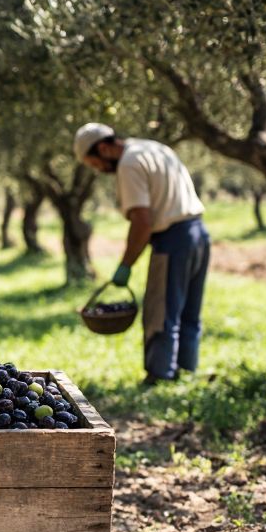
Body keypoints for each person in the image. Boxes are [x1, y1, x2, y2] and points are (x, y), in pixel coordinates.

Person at [76, 123, 209, 383]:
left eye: (95, 163)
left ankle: (159, 376)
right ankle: (186, 371)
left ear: (103, 148)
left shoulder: (128, 163)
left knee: (161, 311)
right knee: (189, 311)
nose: (100, 170)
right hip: (200, 234)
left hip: (172, 240)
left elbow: (142, 222)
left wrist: (125, 265)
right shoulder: (153, 148)